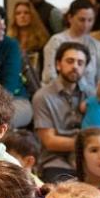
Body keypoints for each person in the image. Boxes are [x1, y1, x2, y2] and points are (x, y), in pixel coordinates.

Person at [32, 42, 87, 183]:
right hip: (55, 161)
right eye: (70, 61)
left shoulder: (90, 95)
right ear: (58, 64)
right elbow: (50, 142)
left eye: (80, 63)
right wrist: (87, 143)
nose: (75, 66)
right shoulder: (43, 96)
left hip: (87, 160)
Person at [41, 0, 100, 94]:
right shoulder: (56, 41)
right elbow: (49, 76)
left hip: (89, 98)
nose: (86, 25)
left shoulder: (99, 47)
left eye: (90, 20)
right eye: (81, 20)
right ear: (70, 18)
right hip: (58, 95)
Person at [8, 0, 49, 86]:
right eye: (18, 13)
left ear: (32, 16)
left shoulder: (42, 41)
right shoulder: (9, 42)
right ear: (14, 17)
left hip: (37, 82)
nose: (22, 16)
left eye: (26, 13)